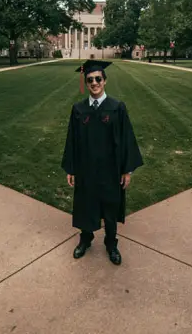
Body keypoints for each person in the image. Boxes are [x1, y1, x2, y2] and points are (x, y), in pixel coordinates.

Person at [61, 60, 143, 265]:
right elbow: (72, 139)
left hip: (110, 170)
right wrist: (70, 168)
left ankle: (111, 244)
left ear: (105, 81)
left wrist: (127, 171)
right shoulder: (78, 109)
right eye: (90, 80)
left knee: (110, 207)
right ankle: (85, 240)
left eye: (98, 79)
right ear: (86, 83)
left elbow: (126, 140)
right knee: (86, 204)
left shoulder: (117, 108)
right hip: (86, 169)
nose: (94, 83)